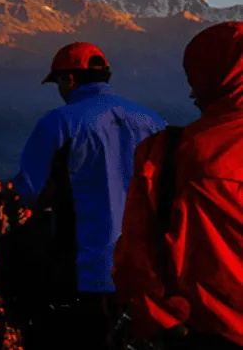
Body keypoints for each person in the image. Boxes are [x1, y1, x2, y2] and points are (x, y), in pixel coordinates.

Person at [11, 42, 165, 348]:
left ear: (69, 80)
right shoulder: (152, 122)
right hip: (147, 273)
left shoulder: (60, 122)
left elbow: (31, 192)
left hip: (84, 271)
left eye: (57, 83)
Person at [115, 22, 243, 348]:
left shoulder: (168, 155)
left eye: (195, 80)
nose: (191, 94)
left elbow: (137, 263)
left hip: (205, 332)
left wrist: (160, 321)